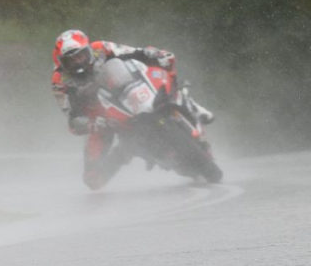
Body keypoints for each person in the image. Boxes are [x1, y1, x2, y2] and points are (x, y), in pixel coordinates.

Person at [50, 29, 215, 189]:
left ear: (88, 49)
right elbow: (72, 120)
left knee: (166, 64)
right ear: (61, 62)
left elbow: (134, 52)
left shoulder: (100, 48)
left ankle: (187, 101)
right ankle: (124, 152)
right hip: (102, 116)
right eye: (70, 60)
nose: (78, 62)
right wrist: (90, 124)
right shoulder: (59, 81)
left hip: (128, 89)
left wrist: (153, 53)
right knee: (93, 179)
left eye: (80, 55)